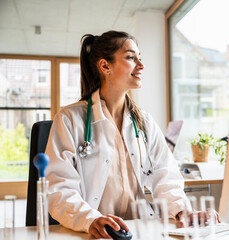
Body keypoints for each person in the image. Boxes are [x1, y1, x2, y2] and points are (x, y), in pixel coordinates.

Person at [45, 30, 193, 239]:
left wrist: (181, 210)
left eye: (139, 58)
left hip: (141, 230)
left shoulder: (144, 122)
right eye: (131, 57)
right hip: (95, 233)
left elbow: (165, 176)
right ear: (105, 66)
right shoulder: (70, 119)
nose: (141, 66)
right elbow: (59, 189)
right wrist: (90, 219)